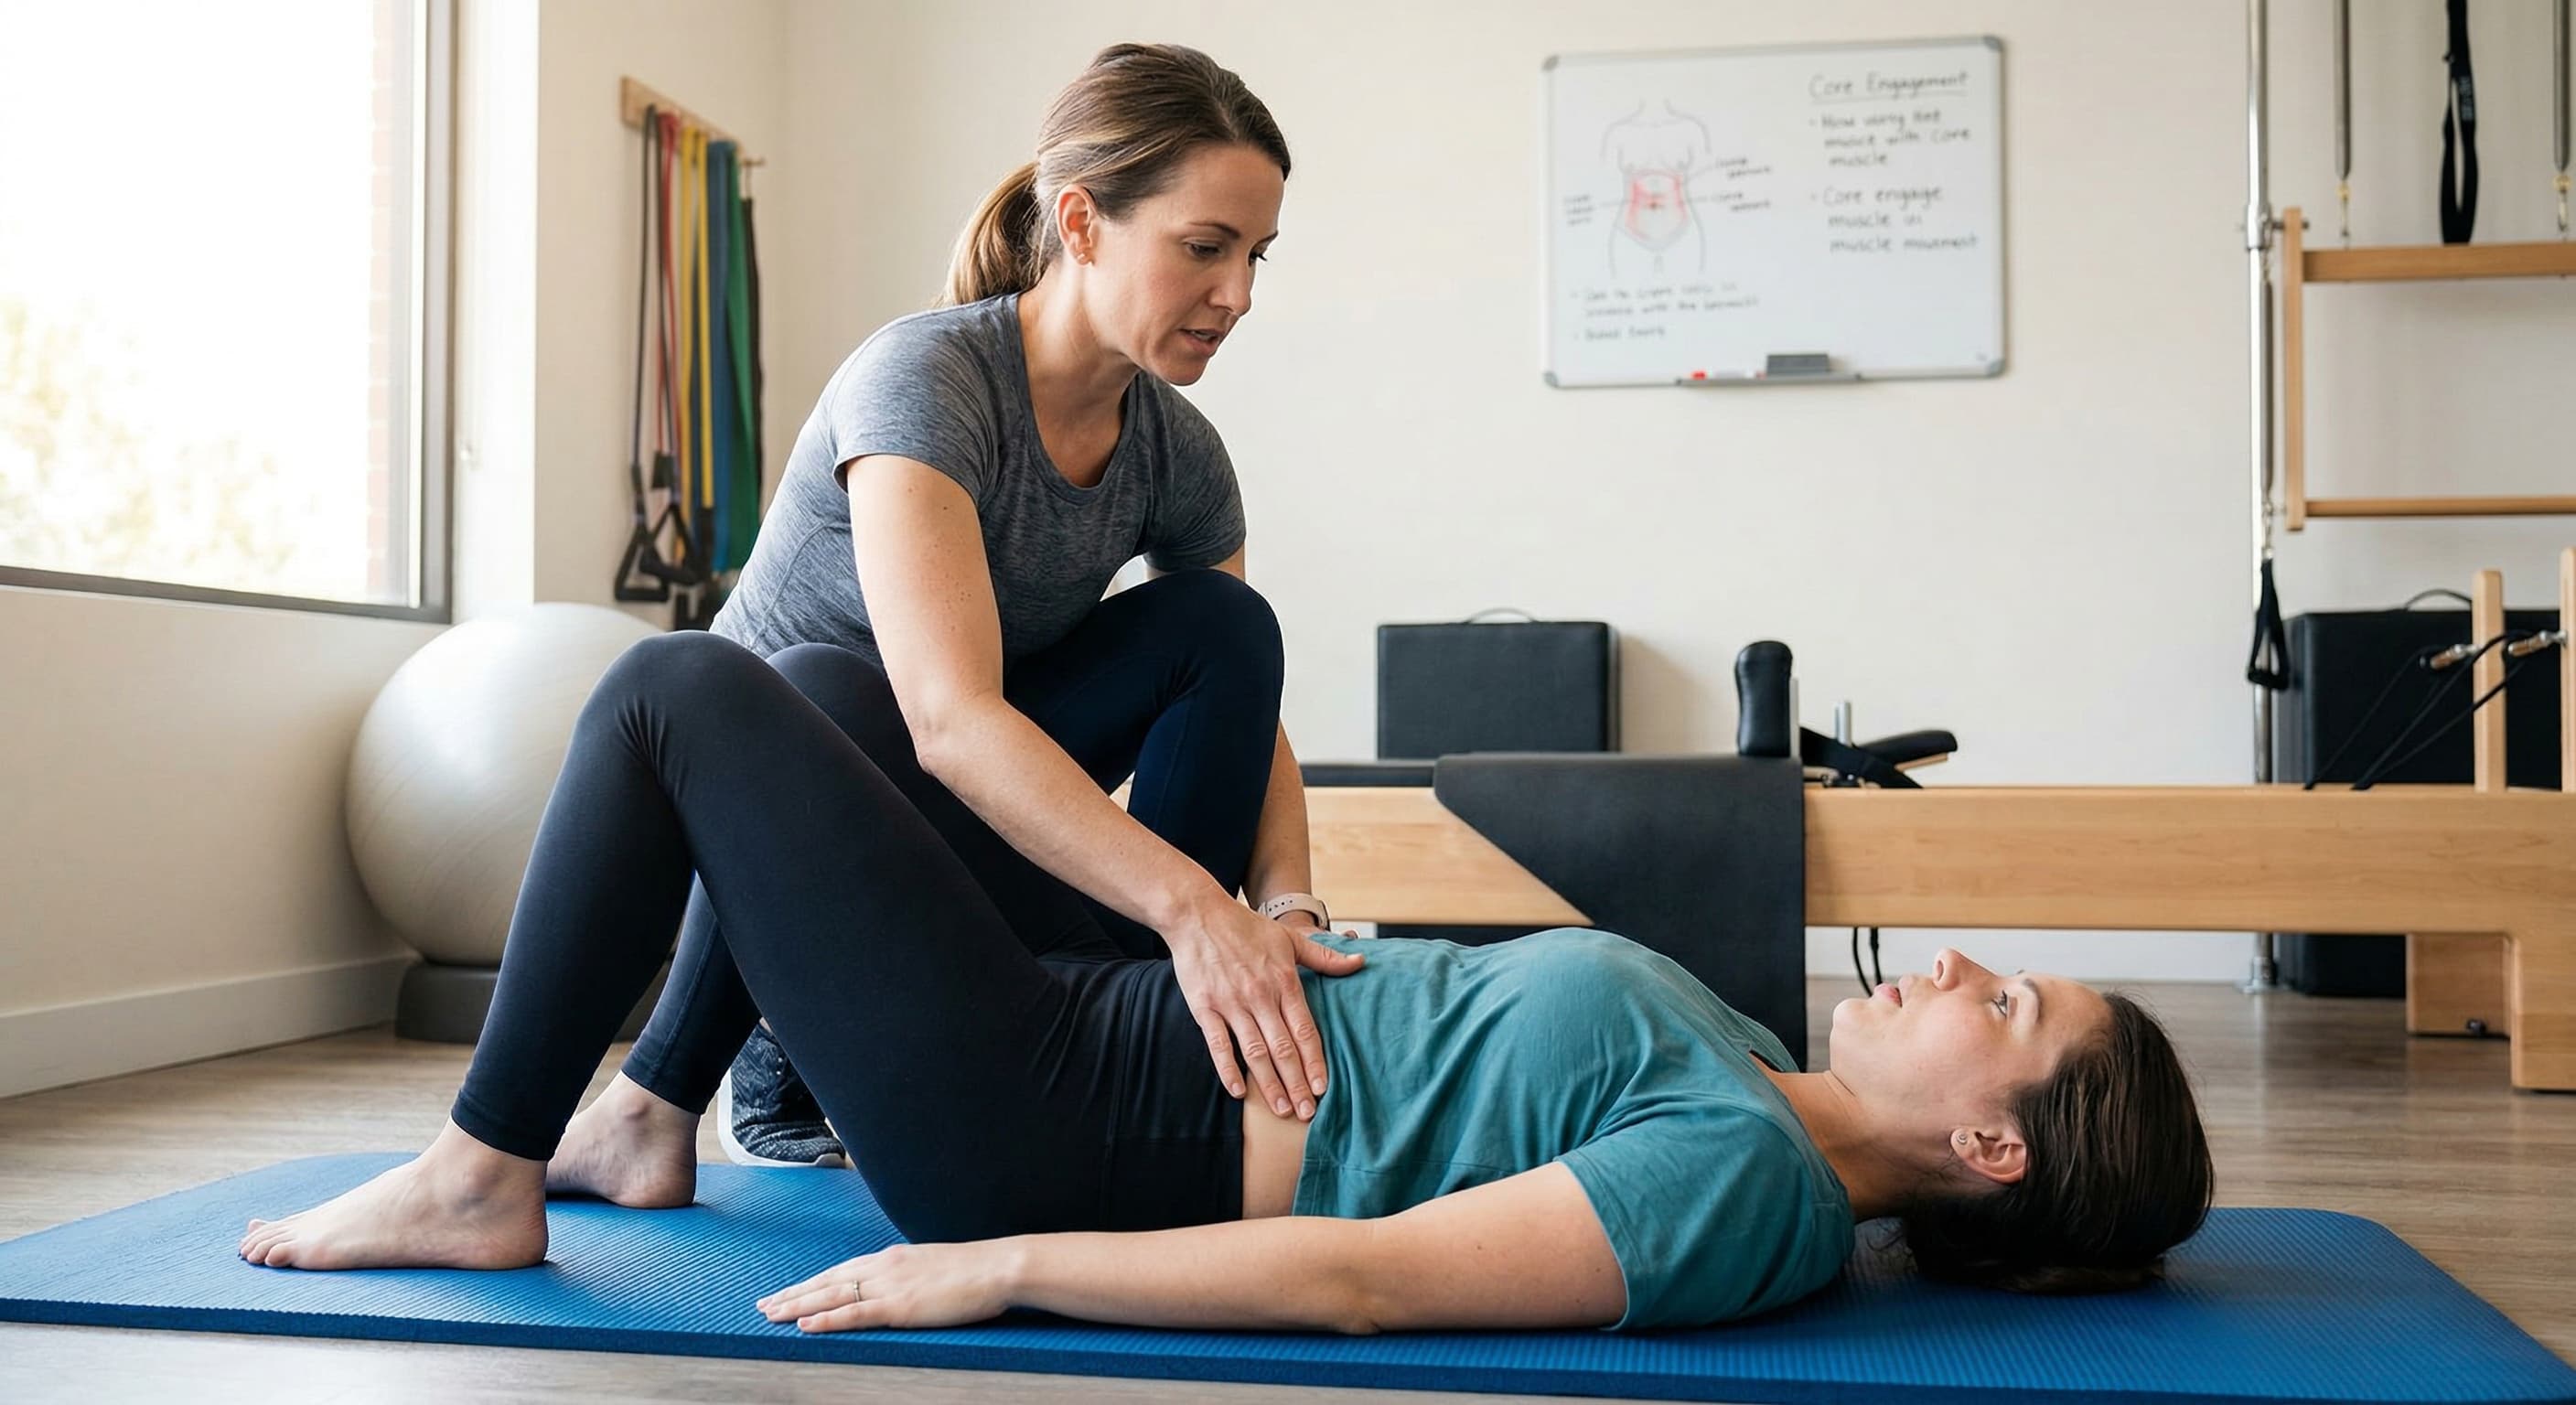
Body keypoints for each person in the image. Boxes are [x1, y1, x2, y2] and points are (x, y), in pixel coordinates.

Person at [236, 629, 2216, 1334]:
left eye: (2011, 1004)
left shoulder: (1746, 1192)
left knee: (675, 696)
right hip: (1124, 1028)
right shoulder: (1754, 1064)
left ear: (1987, 1140)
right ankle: (646, 1121)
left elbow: (1365, 1280)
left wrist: (999, 1263)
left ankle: (487, 1172)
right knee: (838, 696)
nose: (1961, 968)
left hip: (1082, 1127)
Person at [698, 41, 1350, 1165]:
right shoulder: (927, 382)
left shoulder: (1176, 454)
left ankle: (1139, 1025)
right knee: (841, 691)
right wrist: (1195, 908)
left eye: (1255, 254)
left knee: (1222, 624)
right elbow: (945, 723)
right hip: (783, 850)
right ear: (1084, 223)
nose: (1237, 294)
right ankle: (779, 1066)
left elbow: (1246, 700)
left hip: (961, 818)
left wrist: (1287, 908)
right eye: (1204, 247)